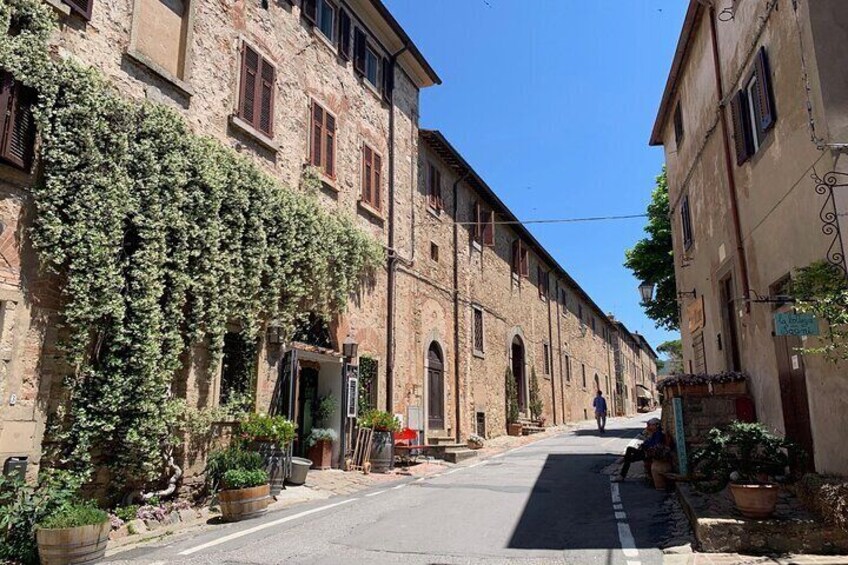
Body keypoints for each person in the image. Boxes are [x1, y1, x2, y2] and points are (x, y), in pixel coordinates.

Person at [612, 417, 665, 481]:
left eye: (651, 425)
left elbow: (654, 444)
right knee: (629, 452)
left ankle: (622, 474)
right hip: (645, 450)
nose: (650, 426)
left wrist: (646, 441)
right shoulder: (654, 433)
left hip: (648, 453)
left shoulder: (658, 434)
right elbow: (648, 441)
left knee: (628, 457)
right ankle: (623, 470)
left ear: (656, 425)